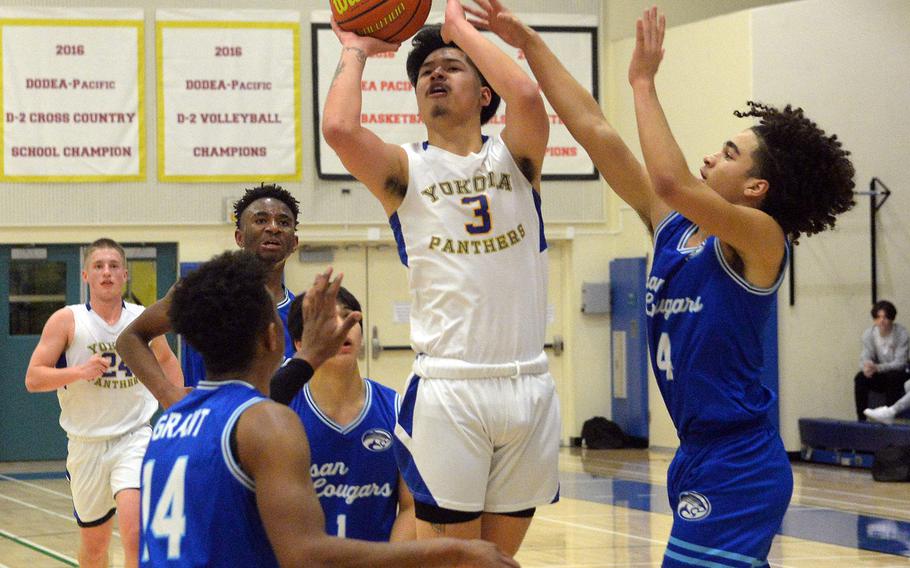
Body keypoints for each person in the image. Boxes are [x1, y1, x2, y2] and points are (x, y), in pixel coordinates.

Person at [468, 3, 855, 566]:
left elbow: (671, 180)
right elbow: (595, 129)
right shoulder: (673, 228)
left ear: (755, 188)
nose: (709, 156)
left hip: (740, 461)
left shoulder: (761, 240)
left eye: (728, 154)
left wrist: (643, 81)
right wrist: (528, 41)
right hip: (694, 453)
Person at [322, 0, 558, 556]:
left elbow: (525, 94)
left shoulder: (517, 157)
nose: (434, 73)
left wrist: (460, 29)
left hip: (530, 384)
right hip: (452, 387)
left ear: (483, 94)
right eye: (426, 70)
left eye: (451, 67)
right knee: (458, 560)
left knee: (498, 559)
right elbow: (338, 127)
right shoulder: (405, 170)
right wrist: (355, 48)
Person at [140, 250, 519, 567]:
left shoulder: (174, 420)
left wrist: (308, 357)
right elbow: (307, 555)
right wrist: (454, 550)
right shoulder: (267, 423)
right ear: (274, 337)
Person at [24, 238, 183, 568]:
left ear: (125, 275)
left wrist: (176, 409)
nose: (106, 272)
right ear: (85, 276)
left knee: (135, 532)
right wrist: (79, 372)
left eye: (113, 266)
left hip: (134, 437)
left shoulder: (143, 319)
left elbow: (167, 361)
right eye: (98, 266)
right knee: (94, 548)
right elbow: (33, 378)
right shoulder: (66, 320)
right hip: (86, 444)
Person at [117, 183, 300, 407]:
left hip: (275, 433)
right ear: (239, 237)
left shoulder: (303, 313)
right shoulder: (202, 292)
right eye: (261, 220)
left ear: (294, 243)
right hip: (211, 430)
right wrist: (166, 393)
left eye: (283, 222)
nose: (273, 228)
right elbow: (130, 338)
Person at [272, 288, 416, 541]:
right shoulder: (280, 412)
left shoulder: (395, 407)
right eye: (325, 319)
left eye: (348, 317)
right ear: (299, 344)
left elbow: (411, 507)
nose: (341, 326)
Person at [854, 300, 910, 421]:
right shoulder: (869, 334)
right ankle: (861, 419)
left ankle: (889, 414)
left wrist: (878, 368)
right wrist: (866, 367)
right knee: (860, 378)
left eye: (885, 317)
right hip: (880, 374)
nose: (882, 321)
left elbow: (900, 363)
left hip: (898, 374)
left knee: (893, 376)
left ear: (892, 318)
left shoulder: (901, 333)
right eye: (878, 317)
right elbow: (865, 355)